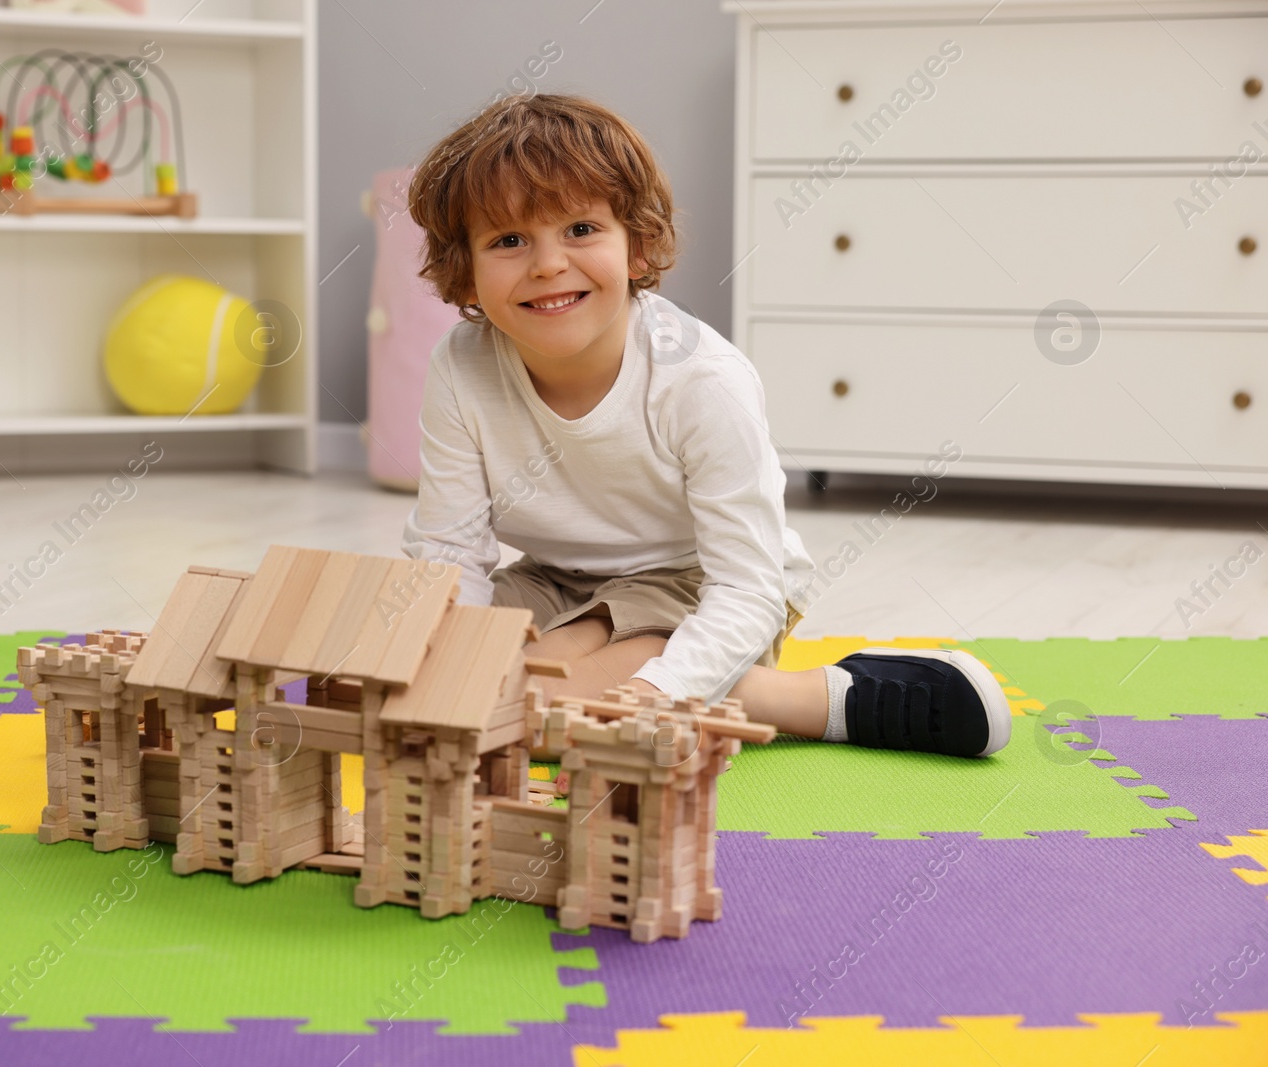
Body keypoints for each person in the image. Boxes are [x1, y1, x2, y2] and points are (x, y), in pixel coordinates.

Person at [399, 93, 1008, 758]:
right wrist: (448, 660)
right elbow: (449, 553)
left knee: (542, 719)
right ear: (466, 273)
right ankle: (691, 682)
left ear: (637, 246)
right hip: (556, 578)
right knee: (416, 672)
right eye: (509, 241)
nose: (547, 265)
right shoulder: (460, 366)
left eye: (580, 230)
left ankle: (817, 699)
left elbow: (746, 585)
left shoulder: (701, 380)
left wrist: (657, 695)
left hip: (696, 579)